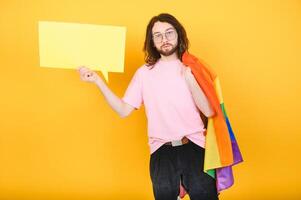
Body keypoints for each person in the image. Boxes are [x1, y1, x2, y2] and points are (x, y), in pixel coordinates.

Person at [77, 13, 219, 200]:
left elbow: (209, 111)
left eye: (169, 33)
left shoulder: (193, 68)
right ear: (152, 41)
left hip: (195, 148)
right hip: (161, 151)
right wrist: (98, 81)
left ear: (179, 35)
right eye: (158, 35)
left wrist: (190, 80)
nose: (164, 39)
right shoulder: (144, 74)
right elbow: (123, 110)